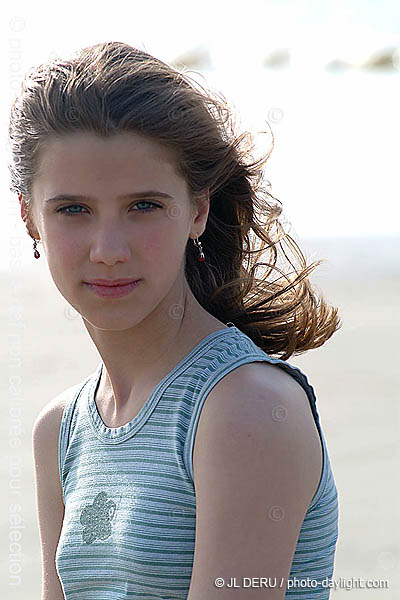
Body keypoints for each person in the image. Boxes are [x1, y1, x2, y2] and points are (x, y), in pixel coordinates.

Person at [9, 41, 341, 600]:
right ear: (29, 219)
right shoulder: (61, 431)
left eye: (144, 206)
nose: (108, 249)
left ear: (198, 210)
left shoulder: (245, 409)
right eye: (73, 210)